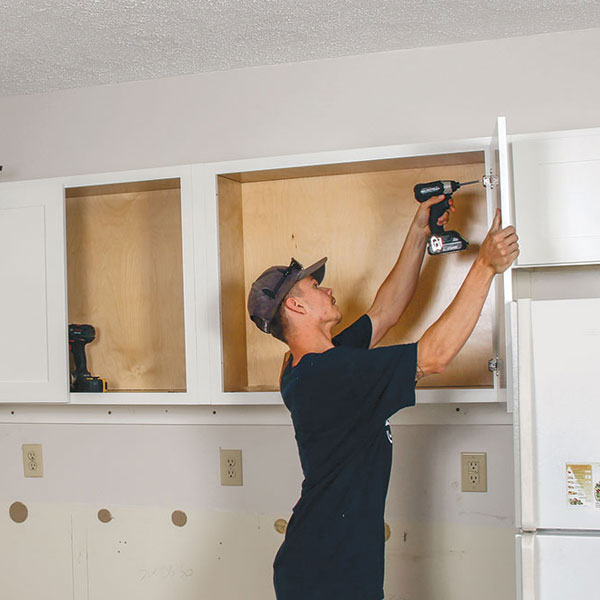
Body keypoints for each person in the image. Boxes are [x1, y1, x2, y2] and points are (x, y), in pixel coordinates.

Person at [247, 194, 519, 600]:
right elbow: (434, 357)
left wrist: (417, 232)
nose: (329, 288)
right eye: (315, 286)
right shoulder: (332, 376)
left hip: (327, 563)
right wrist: (484, 267)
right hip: (328, 573)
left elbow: (386, 310)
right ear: (295, 304)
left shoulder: (310, 366)